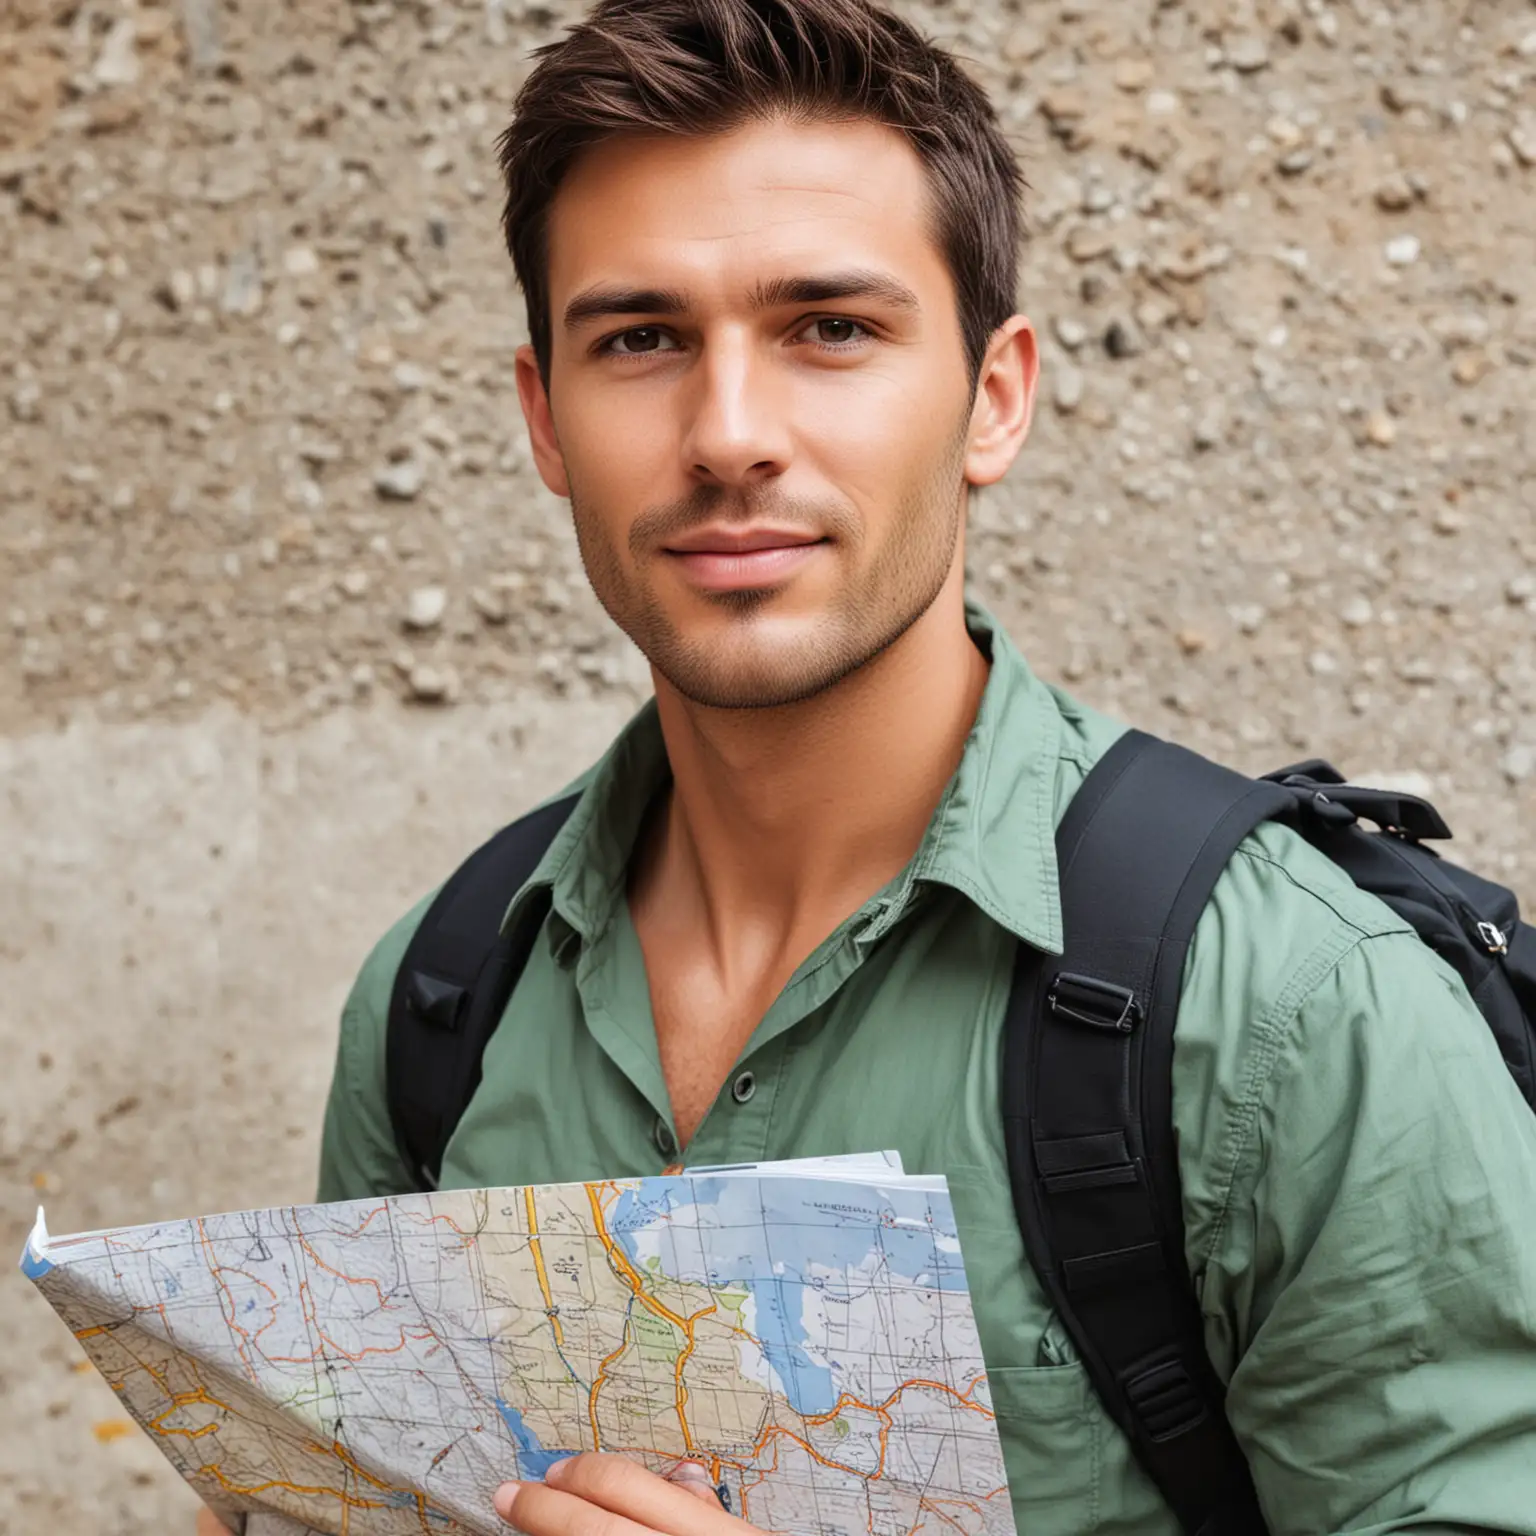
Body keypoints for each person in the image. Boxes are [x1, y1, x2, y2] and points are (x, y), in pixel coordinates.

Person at [198, 0, 1536, 1532]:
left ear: (995, 396)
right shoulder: (440, 1001)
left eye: (830, 328)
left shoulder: (1291, 1003)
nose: (729, 433)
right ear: (544, 419)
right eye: (639, 339)